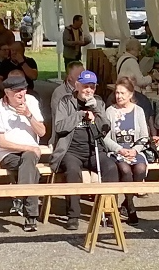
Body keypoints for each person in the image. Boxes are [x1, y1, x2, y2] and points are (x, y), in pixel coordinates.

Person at [50, 69, 120, 230]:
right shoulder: (66, 101)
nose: (88, 90)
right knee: (72, 170)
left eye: (92, 87)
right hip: (71, 150)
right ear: (77, 85)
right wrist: (80, 115)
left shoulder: (98, 102)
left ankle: (109, 211)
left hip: (93, 149)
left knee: (111, 167)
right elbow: (59, 127)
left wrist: (96, 112)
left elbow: (105, 128)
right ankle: (73, 215)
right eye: (85, 86)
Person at [0, 71, 47, 232]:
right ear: (7, 93)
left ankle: (22, 199)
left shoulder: (31, 101)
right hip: (7, 154)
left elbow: (42, 132)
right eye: (17, 91)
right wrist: (29, 147)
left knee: (28, 160)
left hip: (30, 154)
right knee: (31, 169)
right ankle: (30, 214)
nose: (22, 94)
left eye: (24, 90)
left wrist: (29, 115)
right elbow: (1, 142)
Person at [106, 77, 158, 224]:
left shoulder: (138, 111)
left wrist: (135, 150)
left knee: (140, 169)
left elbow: (144, 136)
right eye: (117, 93)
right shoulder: (110, 111)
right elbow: (105, 137)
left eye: (122, 93)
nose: (119, 96)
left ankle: (127, 201)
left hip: (135, 149)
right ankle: (130, 207)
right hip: (117, 150)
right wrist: (120, 149)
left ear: (130, 94)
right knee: (125, 170)